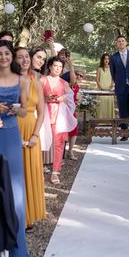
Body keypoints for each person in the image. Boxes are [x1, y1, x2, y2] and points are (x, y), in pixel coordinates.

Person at [0, 40, 29, 257]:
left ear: (12, 56)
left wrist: (13, 109)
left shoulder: (22, 80)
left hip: (11, 134)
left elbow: (25, 112)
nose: (3, 57)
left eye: (7, 54)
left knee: (15, 188)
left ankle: (17, 246)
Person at [14, 47, 47, 229]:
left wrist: (35, 135)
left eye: (27, 56)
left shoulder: (37, 81)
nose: (25, 60)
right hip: (13, 128)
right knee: (16, 174)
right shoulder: (10, 80)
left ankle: (28, 216)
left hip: (31, 129)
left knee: (30, 172)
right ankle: (16, 216)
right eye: (20, 57)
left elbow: (41, 112)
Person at [41, 57, 76, 185]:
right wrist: (45, 97)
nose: (57, 68)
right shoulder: (42, 80)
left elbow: (71, 99)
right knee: (41, 141)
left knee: (59, 143)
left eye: (60, 67)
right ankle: (39, 166)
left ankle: (55, 171)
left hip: (59, 115)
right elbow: (34, 96)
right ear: (50, 66)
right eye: (55, 65)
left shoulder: (64, 83)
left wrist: (63, 98)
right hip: (43, 114)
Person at [66, 70, 84, 160]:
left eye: (81, 76)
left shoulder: (77, 86)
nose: (79, 77)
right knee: (64, 130)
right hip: (65, 109)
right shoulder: (67, 84)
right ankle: (60, 152)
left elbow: (76, 97)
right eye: (77, 74)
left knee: (74, 131)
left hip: (72, 110)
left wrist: (77, 102)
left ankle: (70, 151)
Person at [96, 53, 115, 118]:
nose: (107, 60)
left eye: (108, 59)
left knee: (108, 104)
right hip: (101, 89)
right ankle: (100, 121)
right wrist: (101, 88)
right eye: (105, 59)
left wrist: (111, 87)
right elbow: (97, 79)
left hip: (109, 89)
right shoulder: (99, 68)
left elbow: (113, 79)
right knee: (101, 105)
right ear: (102, 60)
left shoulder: (112, 68)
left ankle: (109, 121)